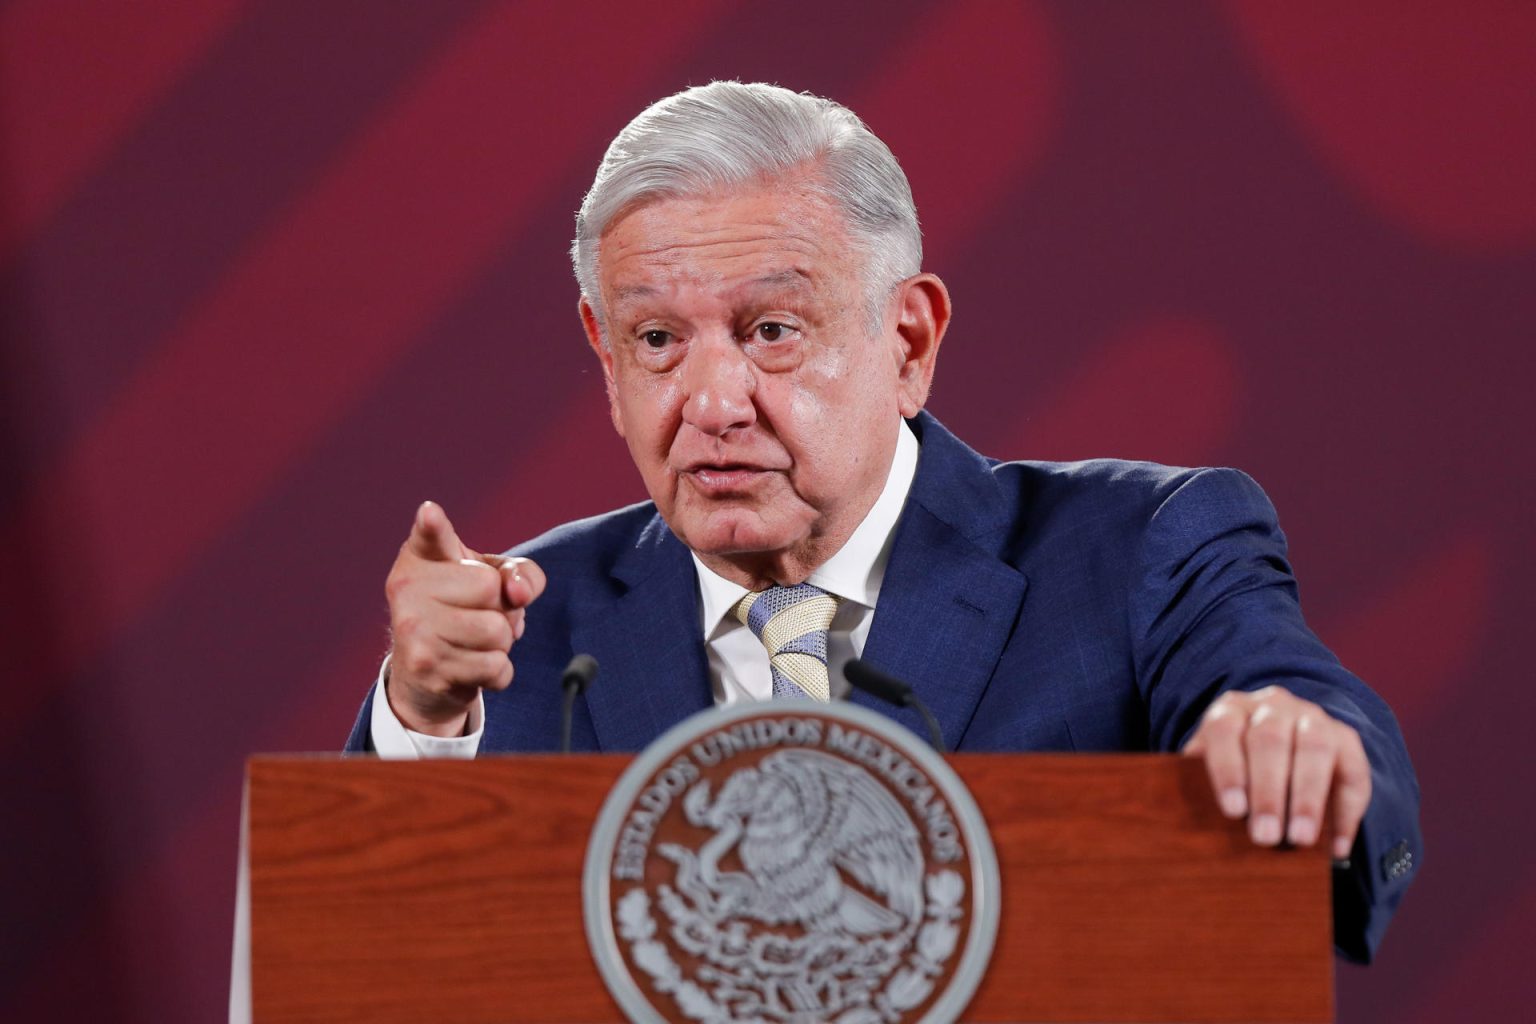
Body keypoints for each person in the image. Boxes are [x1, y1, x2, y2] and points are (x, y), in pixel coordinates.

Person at [345, 81, 1418, 961]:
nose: (712, 401)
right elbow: (359, 952)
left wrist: (1295, 740)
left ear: (907, 341)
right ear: (605, 360)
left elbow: (1313, 729)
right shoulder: (524, 629)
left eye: (770, 329)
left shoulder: (1140, 548)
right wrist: (419, 721)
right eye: (659, 339)